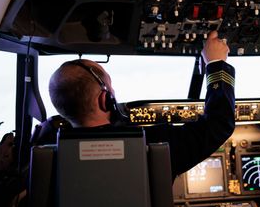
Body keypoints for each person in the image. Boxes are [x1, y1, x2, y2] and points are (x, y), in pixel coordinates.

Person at [48, 30, 235, 180]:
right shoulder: (153, 144)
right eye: (111, 89)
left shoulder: (50, 157)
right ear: (106, 100)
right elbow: (219, 124)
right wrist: (216, 63)